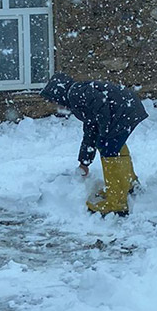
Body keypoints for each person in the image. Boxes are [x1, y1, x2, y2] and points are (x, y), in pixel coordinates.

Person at [40, 73, 147, 216]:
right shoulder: (76, 95)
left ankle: (116, 203)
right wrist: (84, 162)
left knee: (108, 149)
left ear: (59, 93)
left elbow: (101, 104)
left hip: (123, 110)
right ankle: (128, 183)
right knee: (112, 145)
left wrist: (105, 131)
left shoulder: (76, 93)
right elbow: (90, 130)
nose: (56, 105)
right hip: (127, 108)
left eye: (54, 101)